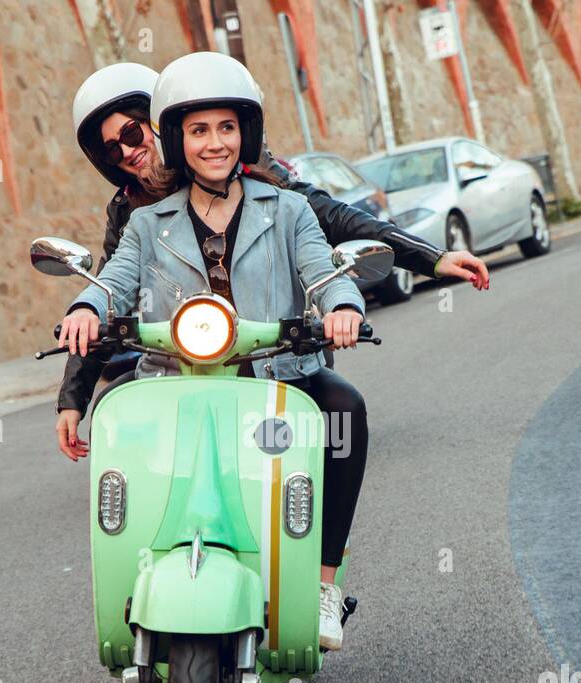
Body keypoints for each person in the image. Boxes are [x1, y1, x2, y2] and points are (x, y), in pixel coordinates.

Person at [64, 51, 372, 651]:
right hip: (179, 379)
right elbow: (114, 280)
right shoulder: (148, 223)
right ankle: (134, 584)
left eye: (226, 128)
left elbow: (323, 270)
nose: (214, 143)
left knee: (346, 409)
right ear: (177, 139)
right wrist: (84, 309)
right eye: (199, 130)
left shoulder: (287, 209)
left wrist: (342, 308)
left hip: (278, 376)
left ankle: (323, 585)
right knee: (119, 422)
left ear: (245, 133)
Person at [55, 59, 491, 453]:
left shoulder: (265, 189)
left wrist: (428, 259)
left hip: (273, 352)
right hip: (183, 367)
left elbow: (333, 228)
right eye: (112, 149)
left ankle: (322, 539)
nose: (128, 152)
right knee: (114, 406)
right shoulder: (137, 217)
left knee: (343, 410)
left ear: (160, 122)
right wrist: (76, 370)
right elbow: (111, 286)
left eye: (132, 133)